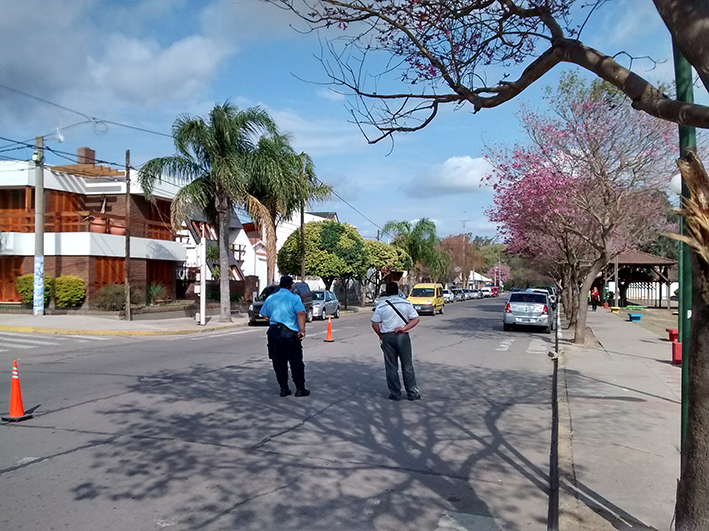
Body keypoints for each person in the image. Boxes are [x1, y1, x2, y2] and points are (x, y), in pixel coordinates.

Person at [259, 275, 310, 397]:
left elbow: (264, 314)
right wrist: (302, 330)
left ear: (280, 285)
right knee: (296, 361)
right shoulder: (294, 298)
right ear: (291, 286)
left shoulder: (271, 298)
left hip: (274, 333)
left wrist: (273, 320)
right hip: (289, 333)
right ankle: (300, 388)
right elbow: (301, 314)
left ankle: (283, 388)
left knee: (278, 362)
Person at [371, 281, 421, 401]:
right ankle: (412, 393)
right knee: (407, 365)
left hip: (388, 337)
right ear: (398, 291)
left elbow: (375, 323)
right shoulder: (406, 304)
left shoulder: (382, 306)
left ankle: (395, 393)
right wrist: (404, 328)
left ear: (387, 292)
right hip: (402, 336)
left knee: (391, 366)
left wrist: (381, 335)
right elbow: (416, 319)